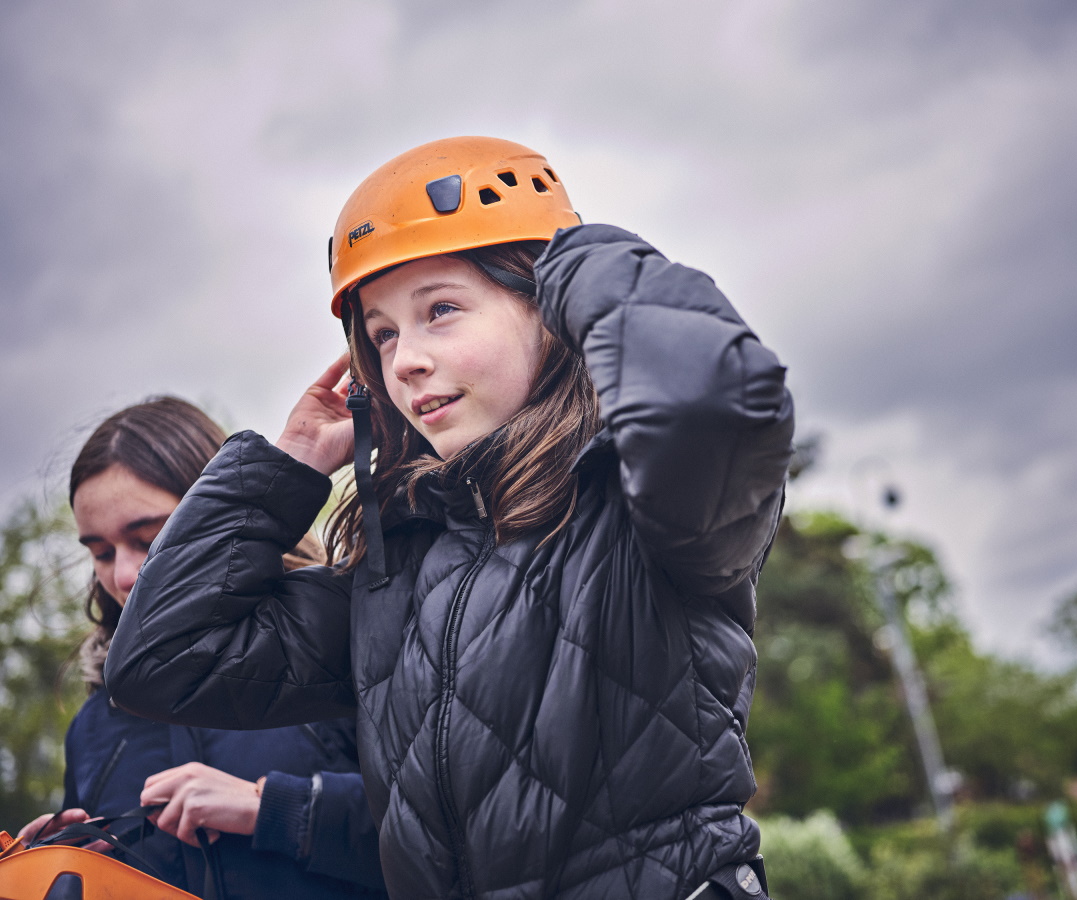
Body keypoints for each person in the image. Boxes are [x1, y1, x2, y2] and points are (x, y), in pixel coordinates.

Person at [106, 137, 795, 899]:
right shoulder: (392, 572)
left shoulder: (647, 505)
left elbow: (712, 392)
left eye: (441, 310)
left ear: (548, 308)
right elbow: (160, 660)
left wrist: (569, 258)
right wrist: (290, 461)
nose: (403, 362)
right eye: (382, 335)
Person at [19, 397, 387, 899]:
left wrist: (273, 808)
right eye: (100, 553)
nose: (123, 576)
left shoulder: (347, 646)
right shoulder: (92, 726)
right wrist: (60, 864)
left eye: (149, 539)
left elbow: (464, 832)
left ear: (219, 522)